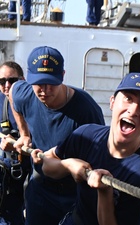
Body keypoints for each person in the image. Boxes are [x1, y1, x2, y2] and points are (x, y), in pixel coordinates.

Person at [31, 72, 140, 225]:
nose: (133, 111)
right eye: (128, 99)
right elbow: (48, 164)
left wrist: (105, 193)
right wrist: (68, 165)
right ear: (112, 102)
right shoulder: (86, 135)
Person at [8, 46, 105, 225]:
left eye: (51, 83)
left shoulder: (87, 110)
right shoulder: (25, 93)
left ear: (63, 75)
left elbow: (100, 154)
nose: (45, 90)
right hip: (40, 188)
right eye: (38, 83)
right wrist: (24, 134)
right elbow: (13, 92)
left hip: (74, 193)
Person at [0, 61, 31, 225]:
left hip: (31, 176)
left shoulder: (34, 104)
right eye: (2, 81)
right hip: (6, 179)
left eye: (12, 81)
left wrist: (17, 146)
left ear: (23, 80)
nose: (7, 86)